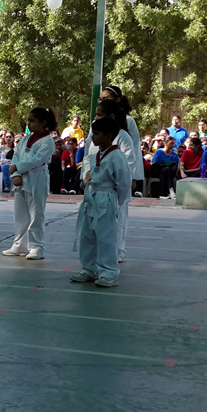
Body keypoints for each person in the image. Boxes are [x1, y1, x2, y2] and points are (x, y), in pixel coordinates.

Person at [71, 117, 132, 288]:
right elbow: (90, 174)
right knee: (87, 236)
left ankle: (109, 272)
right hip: (91, 197)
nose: (92, 137)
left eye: (96, 134)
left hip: (107, 197)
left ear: (109, 136)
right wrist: (87, 179)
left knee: (106, 237)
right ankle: (89, 269)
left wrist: (116, 202)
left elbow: (124, 183)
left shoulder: (117, 156)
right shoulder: (96, 155)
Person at [3, 108, 57, 260]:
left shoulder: (48, 141)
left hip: (37, 178)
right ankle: (19, 244)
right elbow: (16, 156)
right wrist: (15, 175)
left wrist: (17, 168)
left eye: (32, 121)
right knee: (20, 215)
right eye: (28, 121)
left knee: (36, 215)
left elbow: (37, 160)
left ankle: (37, 247)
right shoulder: (25, 139)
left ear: (43, 122)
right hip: (20, 179)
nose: (29, 124)